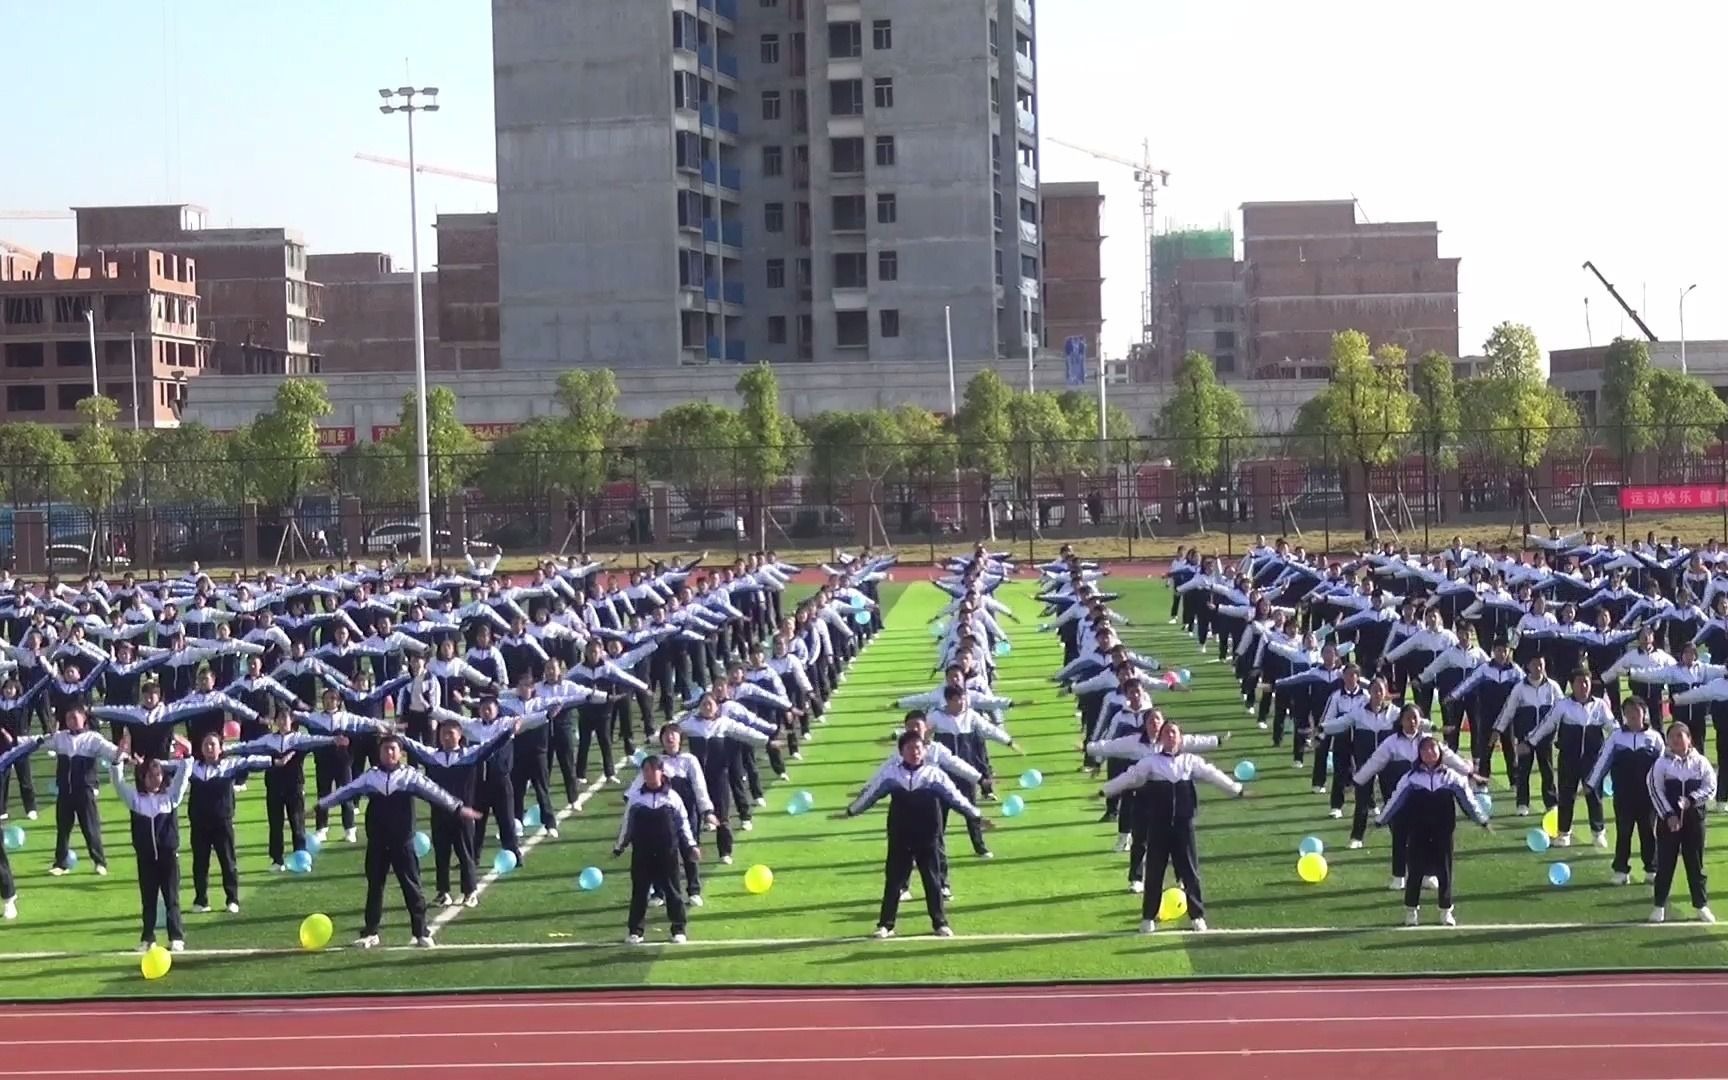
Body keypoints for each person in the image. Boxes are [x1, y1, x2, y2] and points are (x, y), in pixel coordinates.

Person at [317, 734, 481, 948]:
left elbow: (435, 793)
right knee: (375, 886)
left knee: (412, 886)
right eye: (385, 749)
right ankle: (370, 932)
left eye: (393, 749)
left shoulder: (410, 776)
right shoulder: (370, 777)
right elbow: (345, 791)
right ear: (379, 753)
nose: (389, 753)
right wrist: (322, 805)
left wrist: (458, 808)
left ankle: (421, 932)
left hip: (403, 840)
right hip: (377, 840)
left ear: (401, 753)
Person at [837, 730, 992, 939]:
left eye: (918, 748)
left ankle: (940, 923)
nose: (915, 752)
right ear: (901, 751)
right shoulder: (892, 774)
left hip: (928, 835)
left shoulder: (934, 775)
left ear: (924, 750)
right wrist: (850, 811)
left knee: (932, 880)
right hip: (900, 834)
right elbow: (871, 794)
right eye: (910, 748)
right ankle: (885, 925)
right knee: (893, 881)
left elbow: (957, 798)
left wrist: (977, 816)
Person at [1099, 721, 1244, 933]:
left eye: (1174, 733)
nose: (1171, 736)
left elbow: (1213, 774)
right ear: (1161, 739)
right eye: (1166, 733)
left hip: (1184, 826)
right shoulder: (1151, 763)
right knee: (1154, 873)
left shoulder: (1190, 761)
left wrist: (1236, 790)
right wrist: (1106, 790)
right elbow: (1129, 777)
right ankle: (1148, 917)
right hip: (1158, 826)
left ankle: (1197, 916)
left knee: (1190, 872)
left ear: (1180, 737)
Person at [1373, 734, 1492, 927]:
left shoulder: (1451, 777)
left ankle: (1445, 911)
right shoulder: (1411, 778)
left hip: (1443, 832)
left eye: (1433, 749)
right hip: (1418, 832)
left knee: (1444, 871)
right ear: (1419, 754)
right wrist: (1380, 820)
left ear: (1439, 752)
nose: (1429, 752)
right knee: (1415, 871)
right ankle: (1411, 911)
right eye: (1424, 749)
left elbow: (1468, 801)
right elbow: (1395, 800)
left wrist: (1482, 820)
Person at [613, 754, 701, 944]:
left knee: (673, 892)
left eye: (653, 770)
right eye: (646, 770)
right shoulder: (636, 798)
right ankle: (636, 931)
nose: (649, 774)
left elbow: (683, 823)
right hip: (642, 854)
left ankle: (678, 929)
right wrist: (619, 847)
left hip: (667, 854)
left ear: (662, 772)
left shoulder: (672, 797)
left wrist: (691, 845)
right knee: (639, 892)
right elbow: (627, 824)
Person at [1519, 668, 1612, 848]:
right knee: (1566, 795)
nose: (1584, 686)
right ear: (1572, 684)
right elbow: (1546, 725)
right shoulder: (1563, 705)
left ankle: (1598, 832)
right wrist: (1529, 742)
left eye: (1586, 682)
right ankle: (1564, 833)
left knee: (1595, 795)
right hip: (1568, 758)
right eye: (1579, 682)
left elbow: (1613, 728)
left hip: (1593, 760)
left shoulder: (1600, 705)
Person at [110, 756, 194, 952]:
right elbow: (118, 783)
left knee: (171, 898)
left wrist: (188, 756)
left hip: (168, 858)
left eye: (158, 775)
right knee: (148, 900)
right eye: (150, 775)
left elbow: (182, 778)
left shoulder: (171, 797)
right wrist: (116, 762)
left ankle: (176, 936)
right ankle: (148, 938)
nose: (155, 779)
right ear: (143, 777)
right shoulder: (135, 800)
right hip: (146, 859)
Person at [186, 733, 275, 914]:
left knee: (227, 861)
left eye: (213, 745)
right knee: (200, 863)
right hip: (199, 824)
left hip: (222, 823)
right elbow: (167, 767)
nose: (209, 748)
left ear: (220, 748)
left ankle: (232, 899)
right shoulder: (193, 767)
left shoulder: (229, 765)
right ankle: (201, 900)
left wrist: (273, 761)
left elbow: (251, 761)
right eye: (206, 745)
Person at [1585, 696, 1665, 885]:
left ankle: (1652, 869)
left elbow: (1663, 767)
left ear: (1644, 714)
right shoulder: (1616, 737)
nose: (1633, 716)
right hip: (1623, 795)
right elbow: (1603, 761)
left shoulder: (1654, 738)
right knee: (1624, 832)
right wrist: (1591, 783)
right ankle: (1621, 870)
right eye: (1628, 712)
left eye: (1636, 711)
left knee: (1648, 832)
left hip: (1648, 797)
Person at [1646, 723, 1717, 924]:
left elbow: (1711, 786)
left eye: (1680, 736)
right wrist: (1669, 815)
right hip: (1668, 824)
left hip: (1695, 823)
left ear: (1689, 739)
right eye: (1672, 737)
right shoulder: (1662, 764)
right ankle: (1659, 906)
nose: (1676, 740)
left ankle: (1701, 905)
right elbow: (1654, 789)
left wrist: (1692, 800)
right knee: (1665, 865)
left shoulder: (1700, 763)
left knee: (1696, 865)